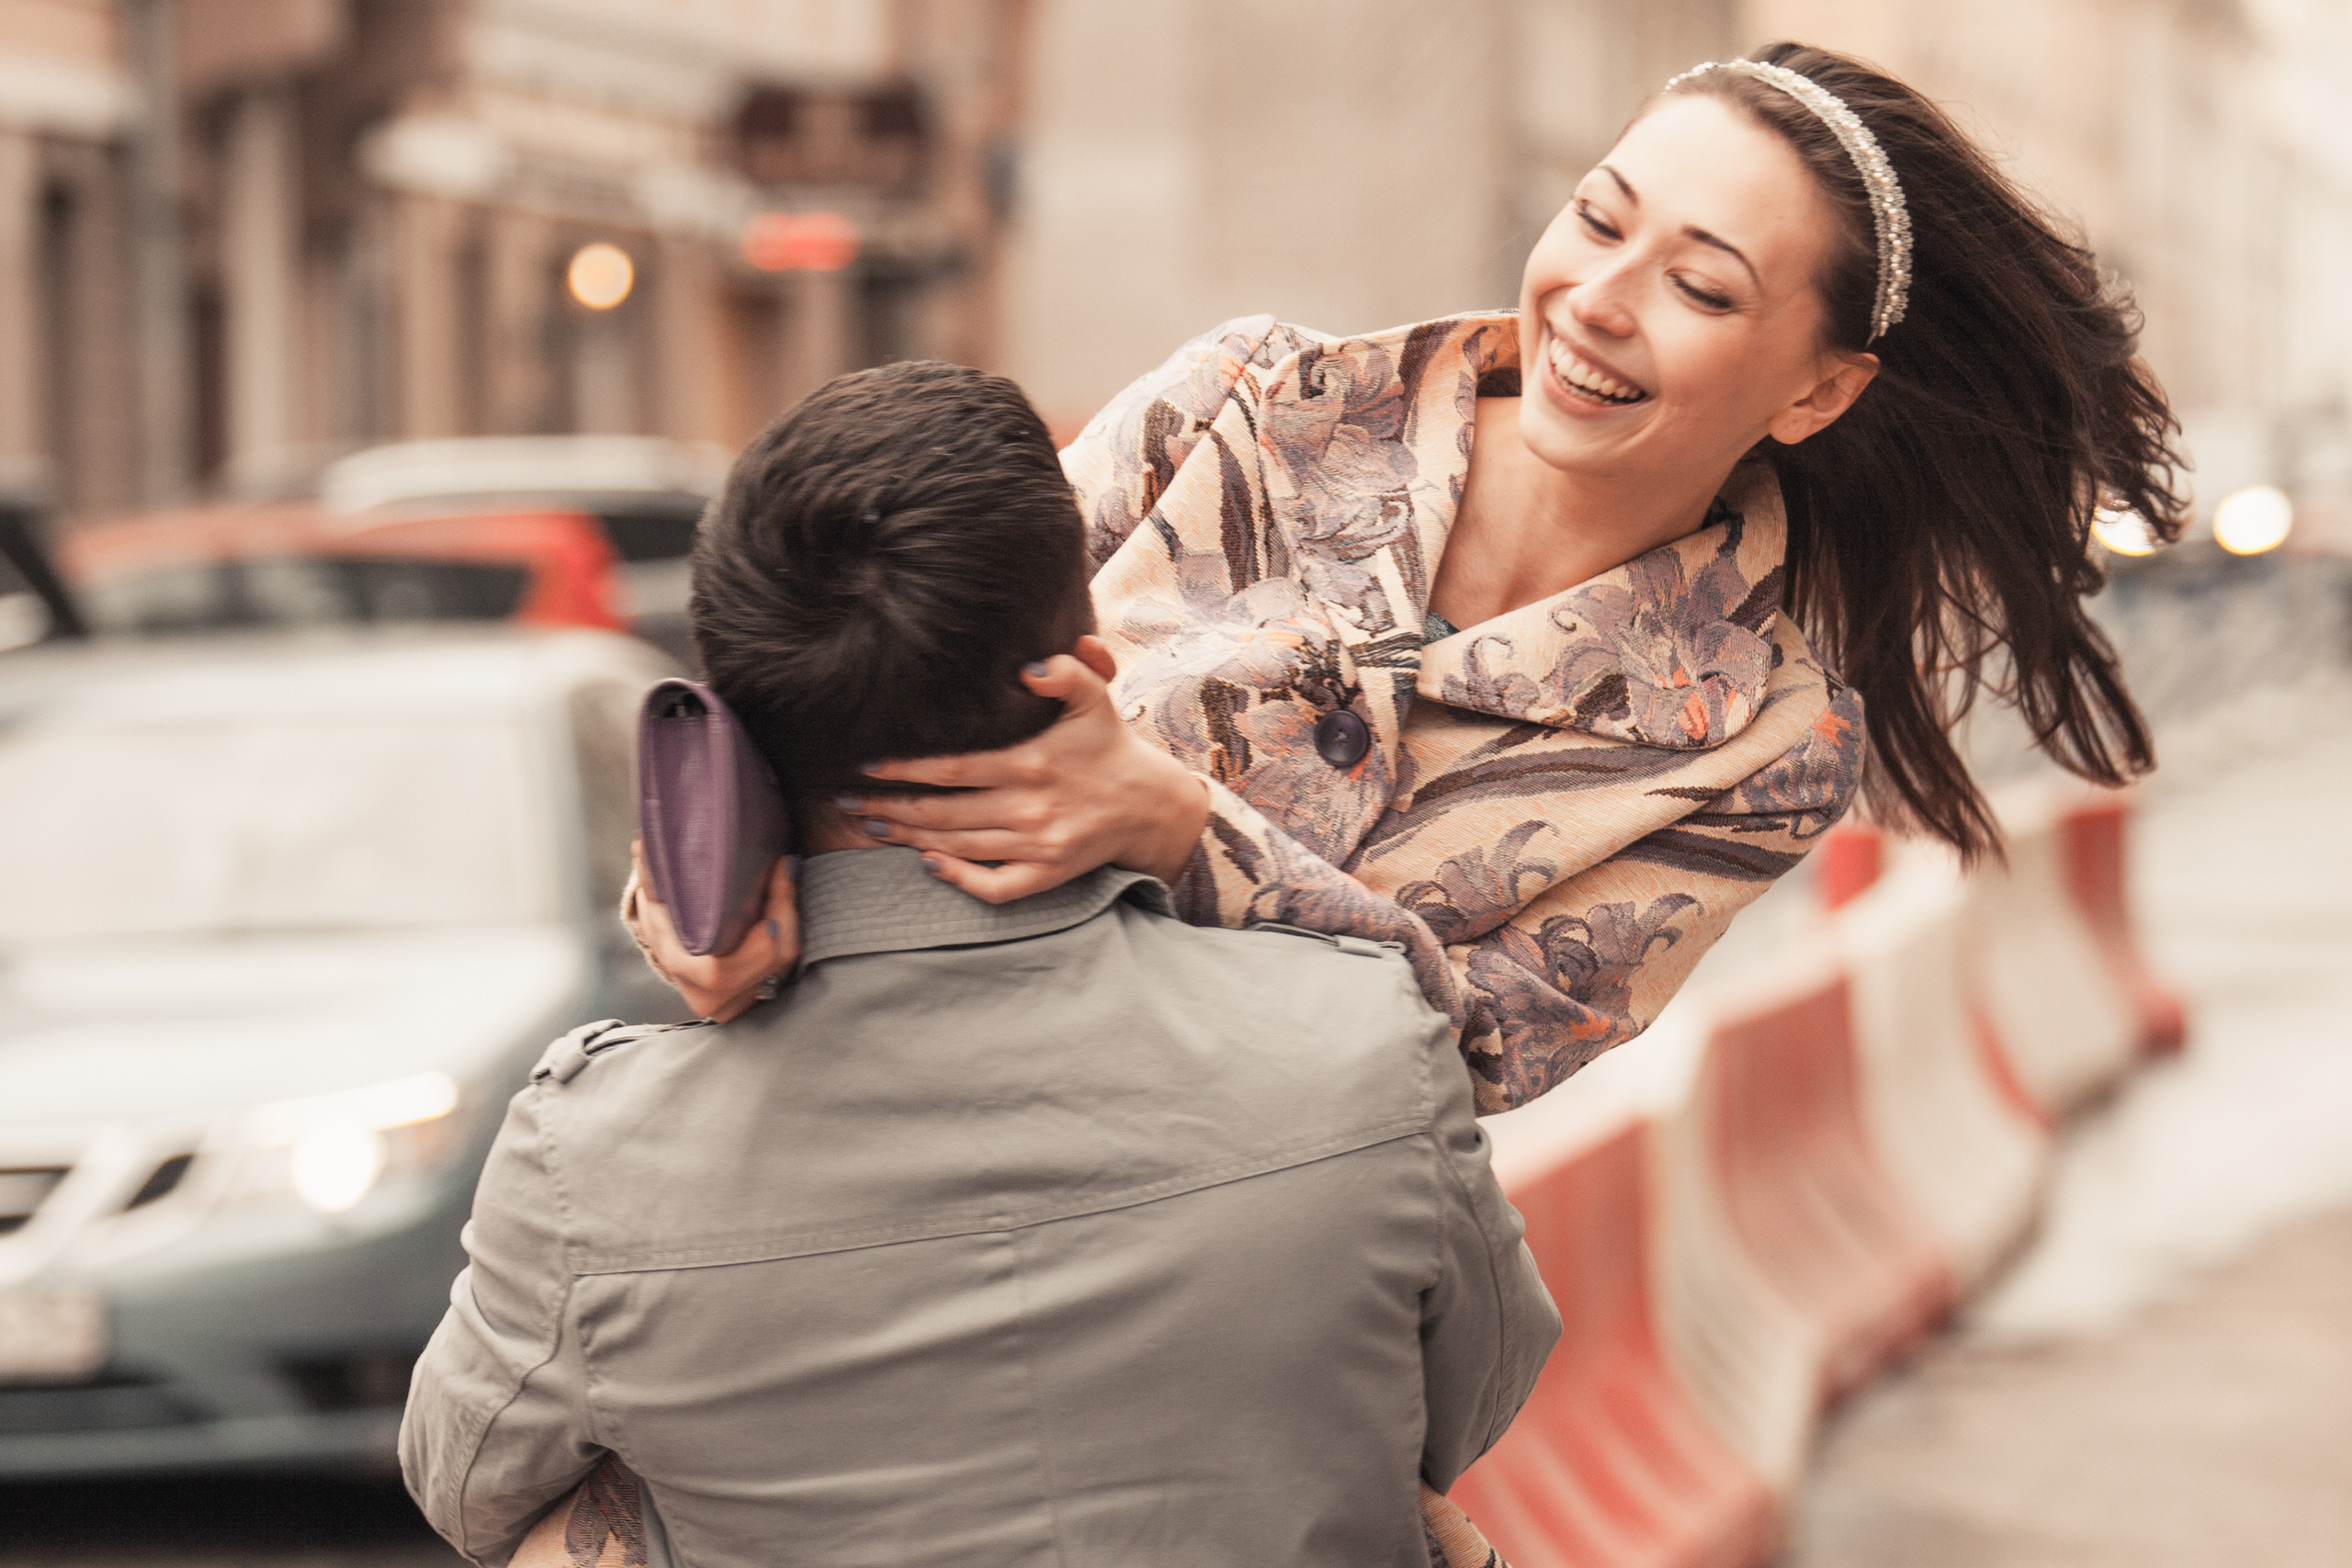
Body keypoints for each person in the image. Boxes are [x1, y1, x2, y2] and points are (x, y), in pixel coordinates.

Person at [632, 43, 2183, 1122]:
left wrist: (1190, 835)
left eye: (1702, 286)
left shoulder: (1762, 749)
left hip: (1207, 1278)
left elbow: (1482, 1054)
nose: (1601, 302)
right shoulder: (1245, 399)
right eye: (1597, 218)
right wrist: (699, 899)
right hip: (864, 1127)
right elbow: (850, 690)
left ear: (1816, 393)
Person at [399, 361, 1560, 1568]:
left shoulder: (589, 1156)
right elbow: (1467, 1406)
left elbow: (463, 1480)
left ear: (718, 734)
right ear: (1096, 684)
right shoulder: (1361, 1042)